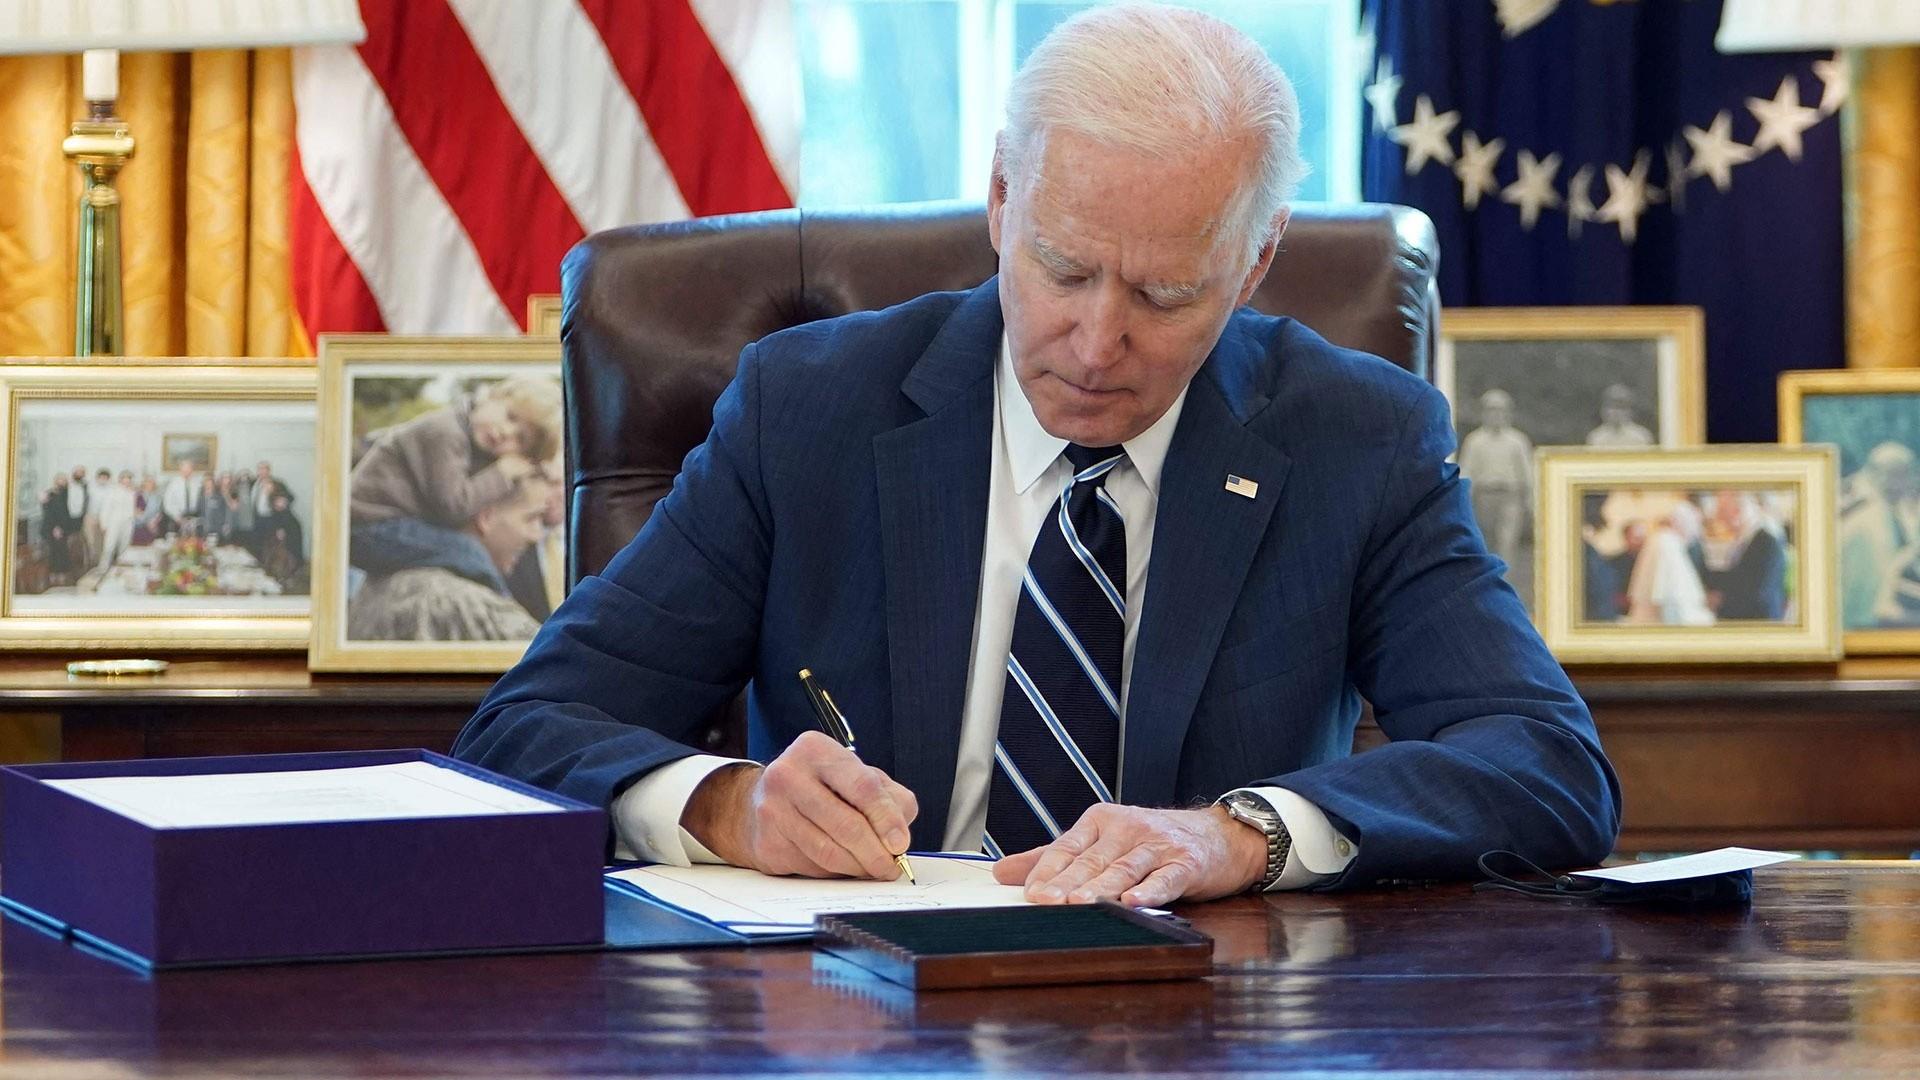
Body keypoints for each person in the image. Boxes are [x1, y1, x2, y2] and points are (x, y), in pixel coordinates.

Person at [454, 3, 1617, 904]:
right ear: (1004, 200)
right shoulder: (809, 407)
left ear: (1256, 263)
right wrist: (725, 805)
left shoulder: (1356, 439)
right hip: (856, 1017)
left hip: (1208, 1018)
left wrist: (1241, 835)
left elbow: (1545, 763)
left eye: (1165, 294)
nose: (1097, 341)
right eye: (1063, 269)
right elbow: (524, 730)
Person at [347, 375, 562, 600]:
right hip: (366, 525)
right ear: (490, 397)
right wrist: (502, 473)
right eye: (510, 416)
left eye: (520, 438)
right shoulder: (445, 432)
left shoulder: (470, 438)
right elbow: (453, 507)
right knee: (468, 552)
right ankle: (499, 609)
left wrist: (538, 469)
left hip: (389, 524)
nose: (506, 431)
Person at [348, 474, 552, 642]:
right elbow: (555, 665)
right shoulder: (464, 603)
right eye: (531, 518)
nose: (536, 535)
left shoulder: (376, 585)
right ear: (486, 518)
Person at [1839, 442, 1917, 628]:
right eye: (1893, 474)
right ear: (1873, 475)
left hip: (1890, 617)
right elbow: (1851, 588)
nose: (1899, 483)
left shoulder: (1904, 517)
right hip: (1862, 624)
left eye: (1905, 474)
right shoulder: (1860, 523)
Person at [1456, 389, 1534, 571]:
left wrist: (1531, 502)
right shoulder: (1475, 441)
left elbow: (1527, 473)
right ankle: (1487, 588)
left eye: (1500, 411)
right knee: (1485, 543)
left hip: (1510, 497)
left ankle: (1505, 587)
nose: (1496, 415)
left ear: (1508, 413)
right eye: (1491, 411)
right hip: (1484, 497)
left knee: (1507, 543)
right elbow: (1466, 472)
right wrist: (1463, 501)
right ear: (1483, 413)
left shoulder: (1518, 441)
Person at [1698, 491, 1788, 621]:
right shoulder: (1746, 540)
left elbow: (1758, 594)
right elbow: (1736, 577)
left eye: (1723, 513)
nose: (1719, 520)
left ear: (1737, 512)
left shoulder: (1766, 542)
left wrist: (1719, 602)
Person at [93, 470, 139, 574]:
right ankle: (103, 569)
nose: (126, 482)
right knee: (109, 547)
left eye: (128, 480)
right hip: (114, 522)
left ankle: (121, 570)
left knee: (125, 548)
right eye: (124, 480)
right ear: (120, 480)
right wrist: (104, 524)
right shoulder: (112, 491)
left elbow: (134, 508)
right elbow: (105, 508)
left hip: (128, 523)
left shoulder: (133, 493)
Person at [1584, 384, 1654, 447]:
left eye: (1621, 408)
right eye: (1611, 407)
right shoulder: (1595, 438)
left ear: (1630, 411)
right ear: (1603, 411)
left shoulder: (1642, 437)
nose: (1616, 412)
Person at [161, 460, 203, 536]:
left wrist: (197, 518)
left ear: (192, 470)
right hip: (178, 518)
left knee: (194, 543)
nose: (186, 472)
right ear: (180, 470)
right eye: (184, 470)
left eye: (188, 469)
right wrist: (177, 518)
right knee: (178, 545)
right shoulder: (173, 484)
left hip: (194, 518)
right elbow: (167, 503)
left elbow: (202, 501)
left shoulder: (198, 483)